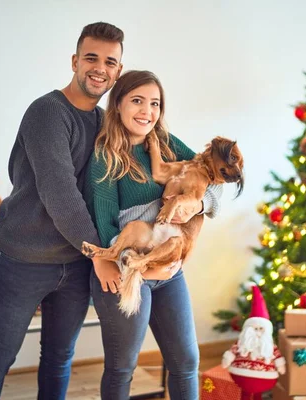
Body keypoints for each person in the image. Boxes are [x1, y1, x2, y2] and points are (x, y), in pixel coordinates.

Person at [0, 22, 127, 400]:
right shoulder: (47, 112)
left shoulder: (106, 121)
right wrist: (100, 254)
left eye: (110, 61)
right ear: (75, 61)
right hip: (23, 258)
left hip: (74, 263)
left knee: (59, 357)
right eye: (91, 57)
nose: (99, 68)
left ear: (118, 71)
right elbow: (61, 194)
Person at [84, 70, 223, 400]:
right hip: (126, 268)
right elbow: (105, 226)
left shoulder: (167, 144)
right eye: (137, 101)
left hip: (169, 270)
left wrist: (198, 204)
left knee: (186, 362)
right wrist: (145, 268)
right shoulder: (105, 156)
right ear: (117, 105)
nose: (147, 111)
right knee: (123, 367)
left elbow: (215, 182)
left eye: (155, 103)